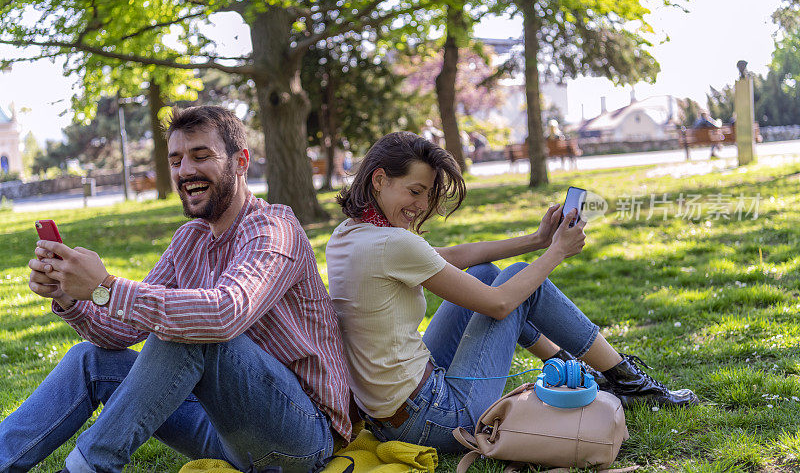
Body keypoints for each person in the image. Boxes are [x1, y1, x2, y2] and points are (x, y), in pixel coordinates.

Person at [2, 106, 351, 473]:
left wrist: (106, 286)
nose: (185, 171)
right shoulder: (190, 239)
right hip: (223, 430)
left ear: (241, 162)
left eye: (201, 156)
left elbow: (222, 315)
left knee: (192, 330)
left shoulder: (274, 230)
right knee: (88, 360)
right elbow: (119, 333)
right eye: (176, 160)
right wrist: (70, 295)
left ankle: (88, 467)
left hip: (302, 437)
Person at [325, 131, 697, 452]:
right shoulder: (390, 244)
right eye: (416, 191)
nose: (422, 206)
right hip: (435, 419)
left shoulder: (351, 234)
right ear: (379, 180)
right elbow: (500, 304)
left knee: (486, 273)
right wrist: (556, 252)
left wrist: (536, 239)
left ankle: (576, 368)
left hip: (390, 414)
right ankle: (629, 381)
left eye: (427, 195)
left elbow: (454, 256)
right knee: (517, 285)